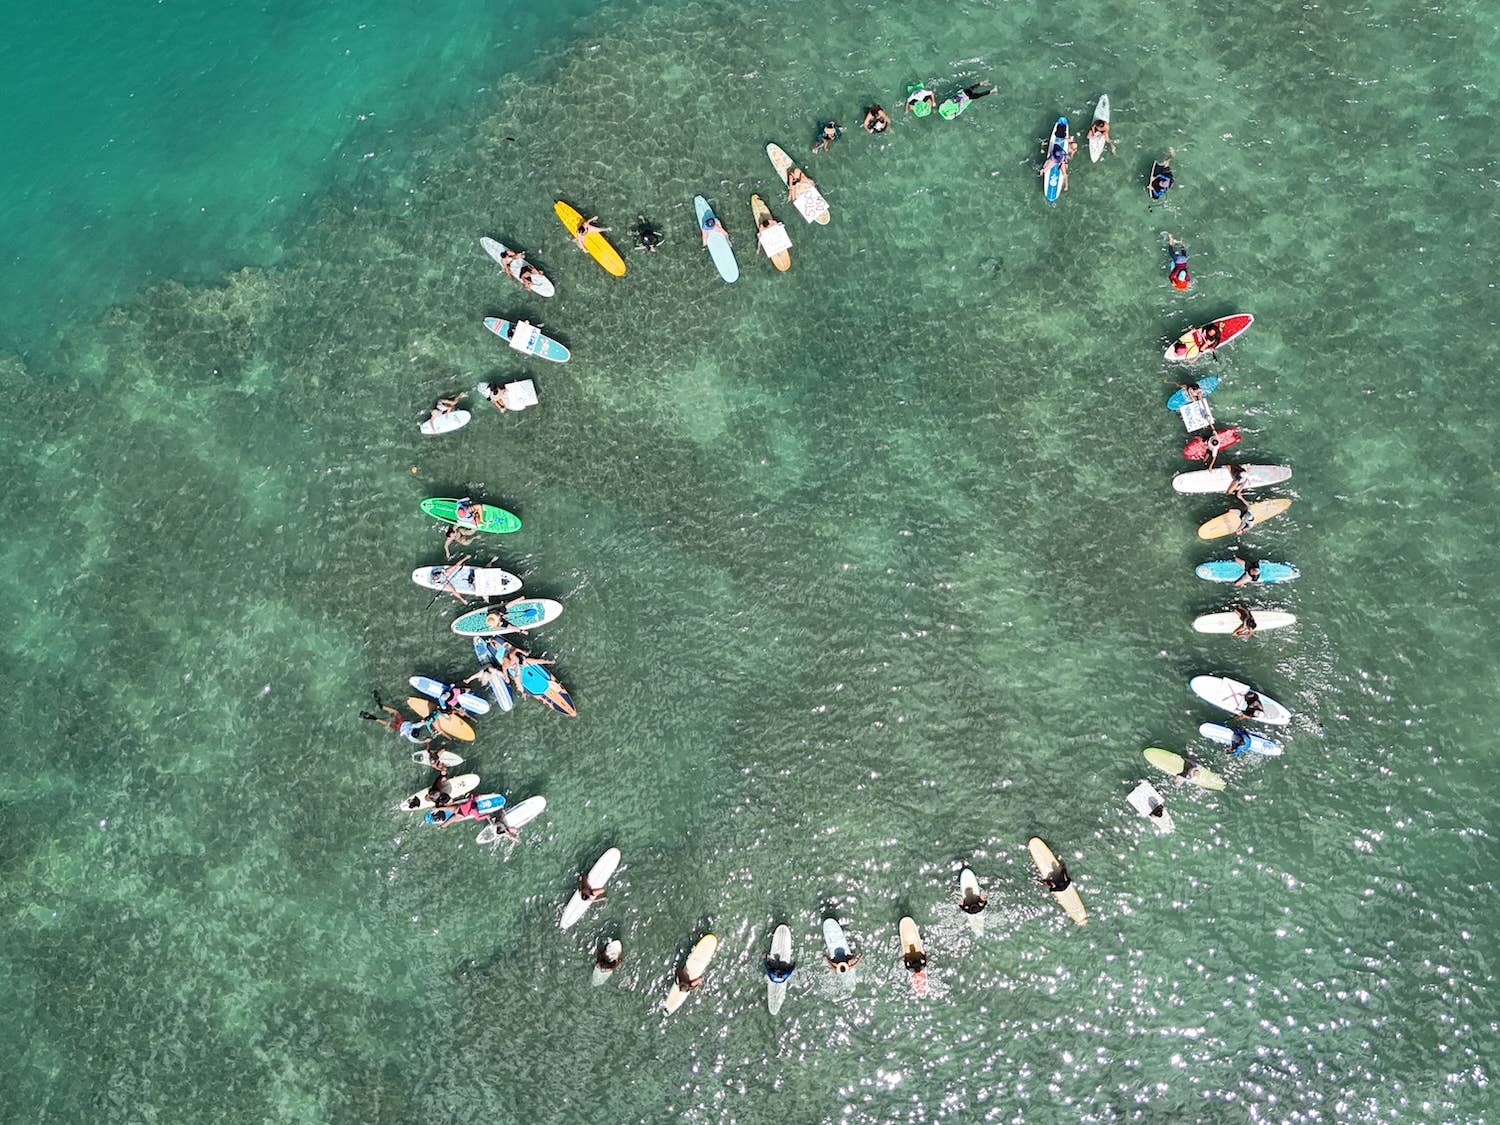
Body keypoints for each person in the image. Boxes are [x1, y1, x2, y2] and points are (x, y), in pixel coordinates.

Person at [361, 696, 433, 746]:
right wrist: (426, 740)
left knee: (395, 712)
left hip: (401, 722)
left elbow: (422, 723)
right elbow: (419, 741)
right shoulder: (411, 738)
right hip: (398, 728)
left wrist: (427, 722)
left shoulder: (413, 726)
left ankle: (382, 706)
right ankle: (373, 718)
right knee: (388, 724)